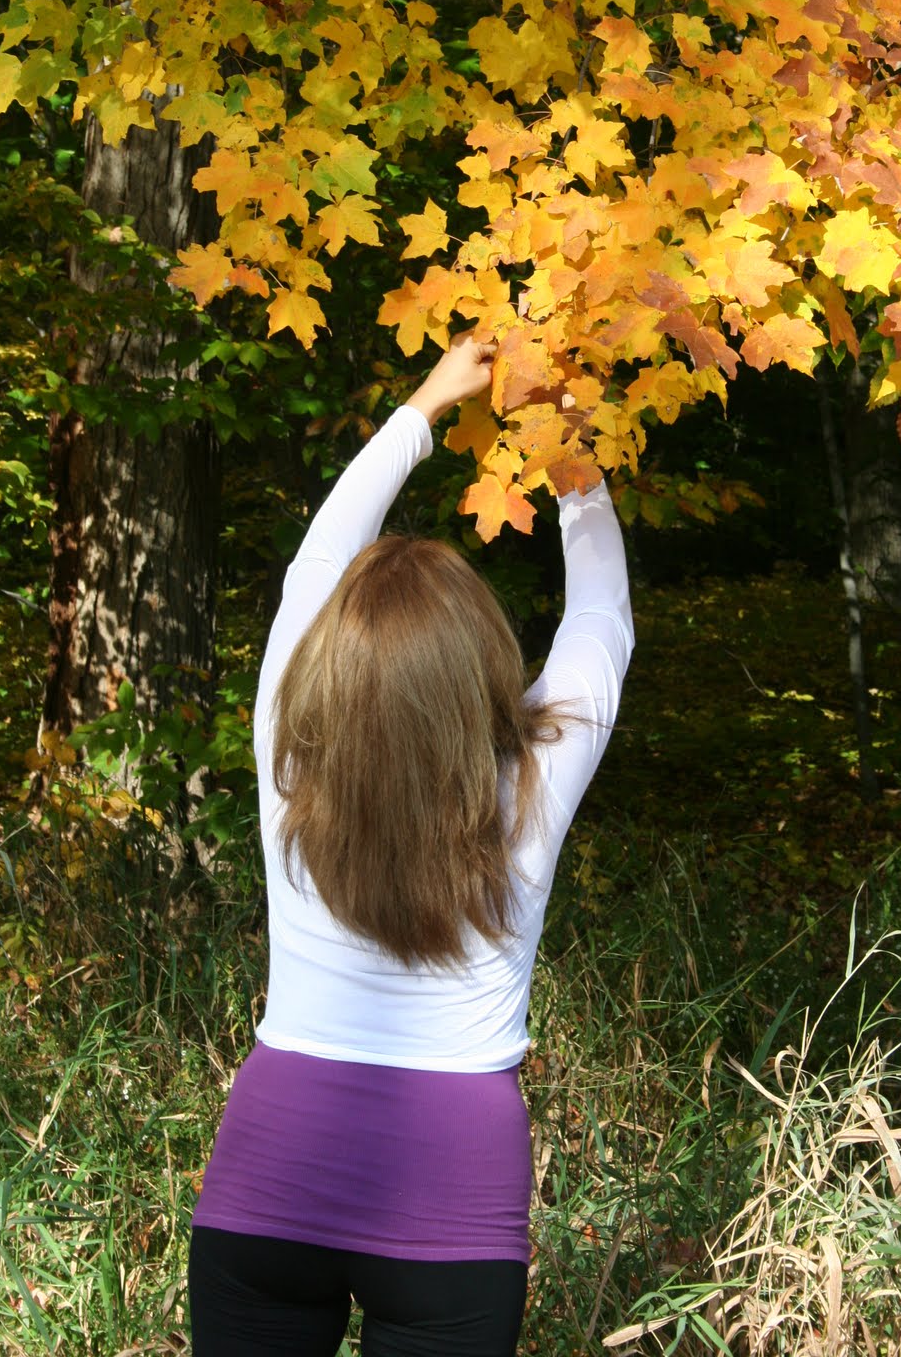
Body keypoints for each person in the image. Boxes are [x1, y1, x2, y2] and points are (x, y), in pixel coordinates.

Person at [188, 333, 634, 1357]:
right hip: (452, 1196)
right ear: (479, 659)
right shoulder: (527, 781)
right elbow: (601, 619)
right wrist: (564, 444)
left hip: (269, 1173)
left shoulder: (284, 764)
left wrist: (426, 404)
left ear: (329, 659)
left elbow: (312, 569)